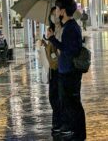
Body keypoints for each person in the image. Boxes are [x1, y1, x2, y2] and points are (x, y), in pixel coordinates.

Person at [46, 0, 86, 140]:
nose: (55, 12)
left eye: (57, 9)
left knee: (72, 103)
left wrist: (52, 39)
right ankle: (75, 130)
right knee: (69, 102)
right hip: (65, 70)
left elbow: (69, 50)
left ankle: (77, 132)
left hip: (70, 71)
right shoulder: (68, 27)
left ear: (63, 11)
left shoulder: (70, 28)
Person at [46, 7, 61, 135]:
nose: (53, 17)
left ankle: (57, 124)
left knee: (57, 97)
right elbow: (52, 51)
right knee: (52, 97)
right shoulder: (52, 30)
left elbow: (61, 48)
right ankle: (56, 123)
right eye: (51, 15)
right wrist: (45, 43)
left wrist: (52, 39)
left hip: (60, 69)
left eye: (55, 14)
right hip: (52, 69)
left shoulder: (62, 29)